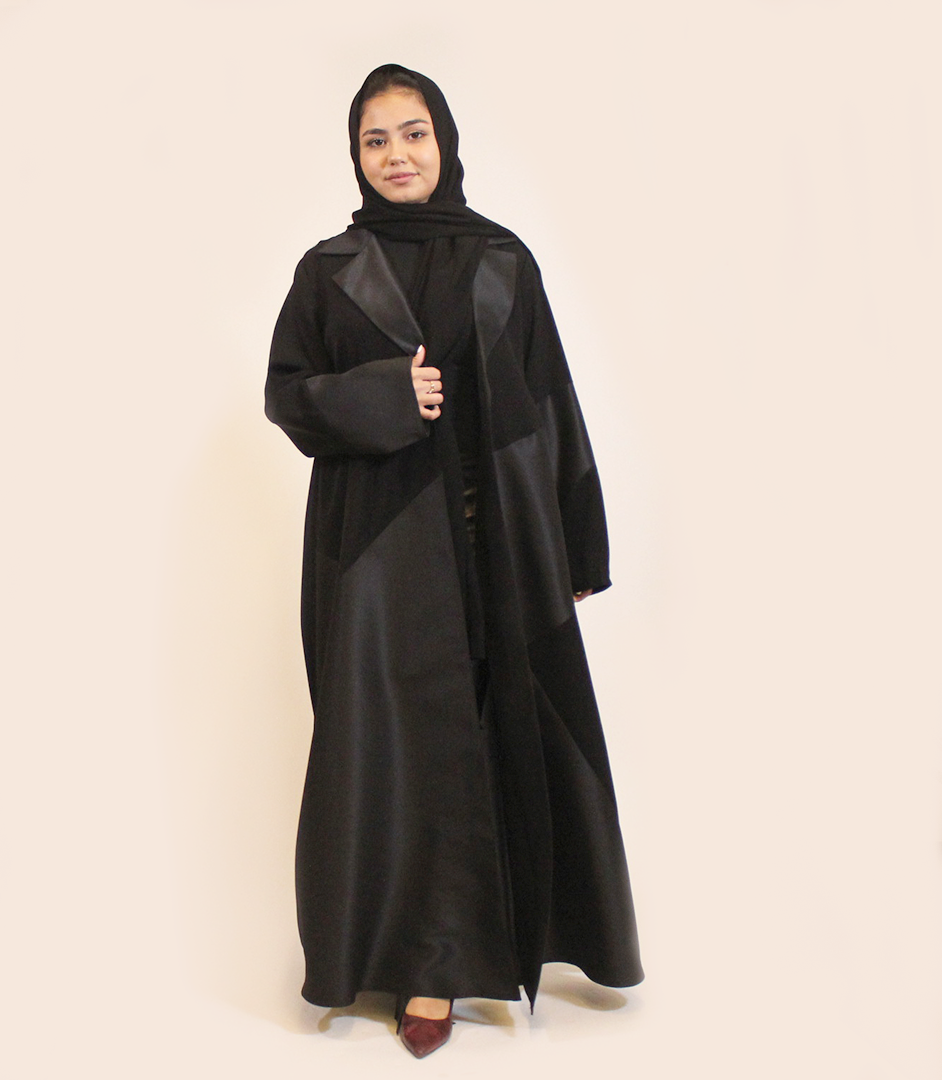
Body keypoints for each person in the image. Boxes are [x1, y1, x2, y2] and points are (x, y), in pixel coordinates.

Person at [265, 63, 643, 1058]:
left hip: (501, 544)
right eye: (376, 139)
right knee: (398, 750)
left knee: (509, 736)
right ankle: (421, 969)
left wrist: (579, 541)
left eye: (414, 132)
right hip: (379, 555)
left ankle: (516, 941)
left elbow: (551, 398)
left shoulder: (503, 258)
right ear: (355, 156)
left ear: (445, 140)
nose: (396, 155)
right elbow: (287, 393)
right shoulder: (327, 269)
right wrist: (383, 394)